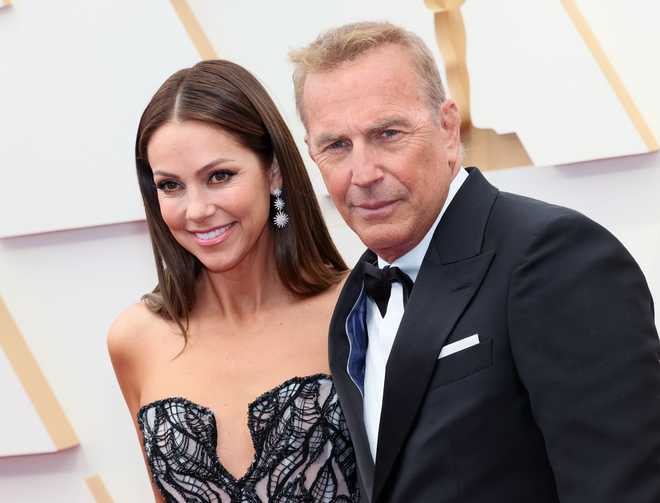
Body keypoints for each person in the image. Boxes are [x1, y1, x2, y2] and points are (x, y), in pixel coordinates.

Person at [290, 21, 660, 503]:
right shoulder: (355, 297)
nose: (363, 173)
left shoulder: (554, 257)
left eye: (388, 133)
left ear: (447, 128)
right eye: (337, 145)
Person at [107, 60, 360, 502]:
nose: (196, 210)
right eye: (171, 186)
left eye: (219, 176)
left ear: (274, 171)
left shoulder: (359, 312)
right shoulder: (136, 338)